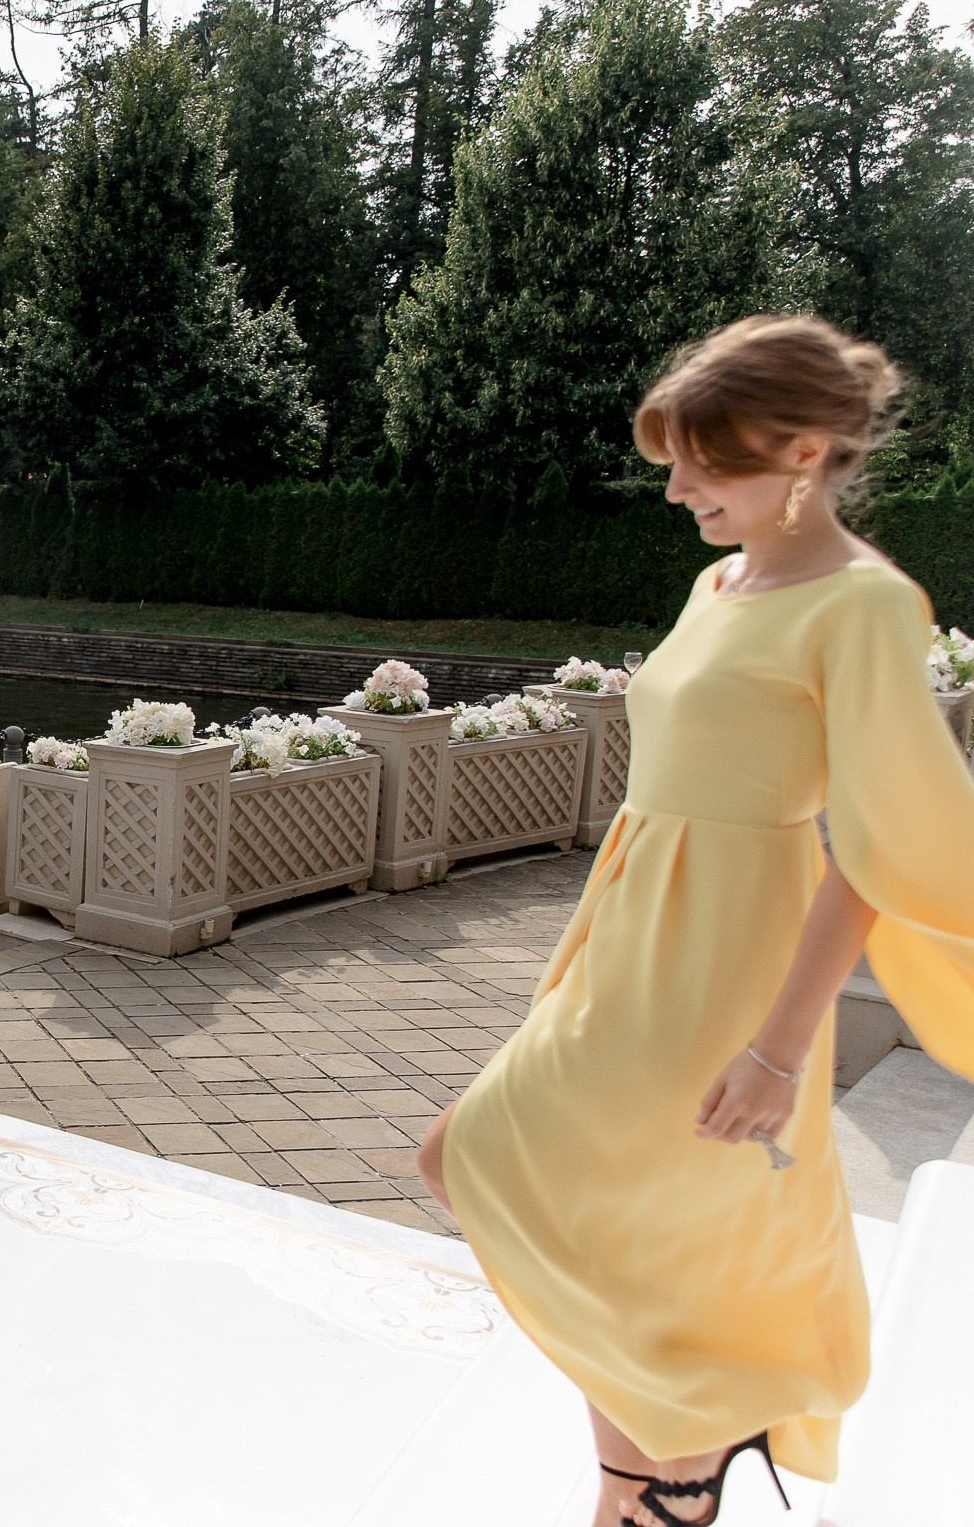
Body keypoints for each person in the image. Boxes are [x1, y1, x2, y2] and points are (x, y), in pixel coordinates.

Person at [416, 317, 974, 1527]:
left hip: (732, 950)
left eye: (703, 465)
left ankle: (663, 1474)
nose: (674, 488)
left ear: (806, 454)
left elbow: (876, 847)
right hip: (631, 925)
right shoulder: (717, 580)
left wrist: (781, 1047)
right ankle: (673, 1464)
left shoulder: (866, 607)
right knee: (515, 1172)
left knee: (490, 1158)